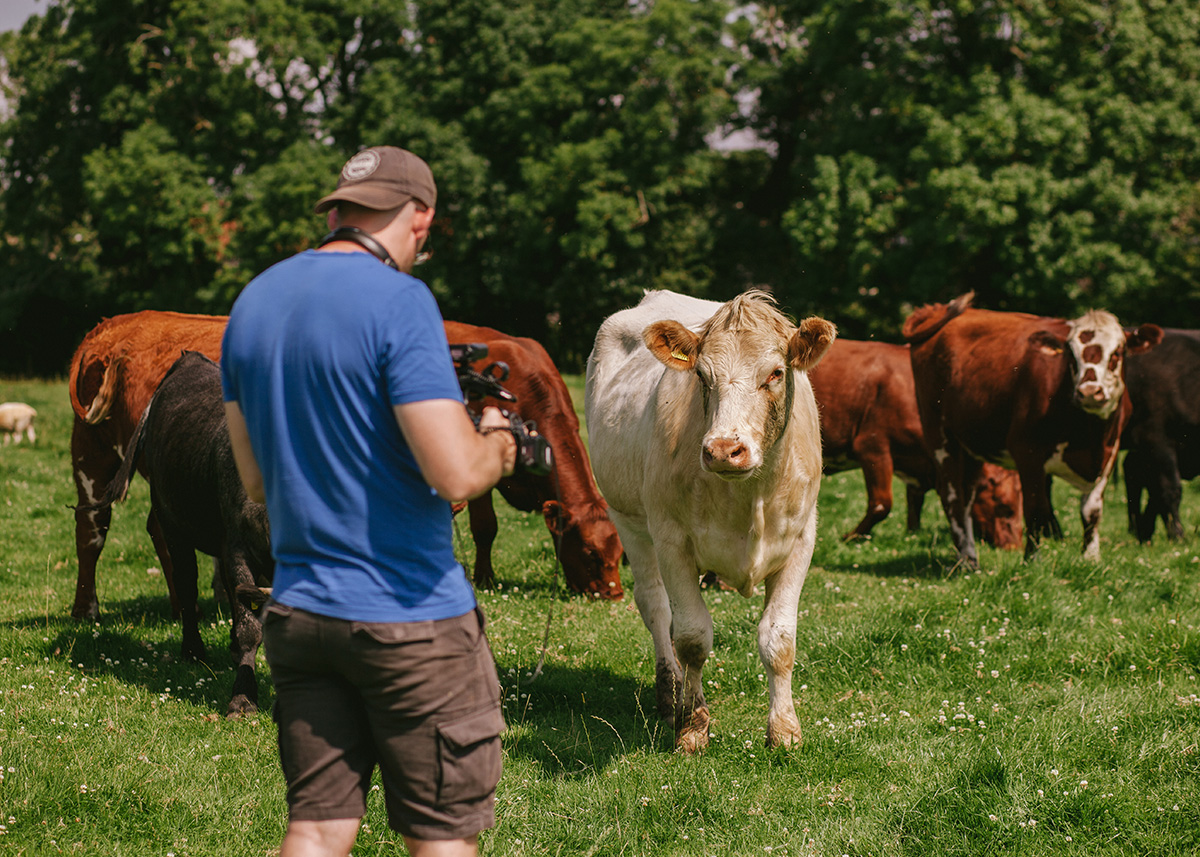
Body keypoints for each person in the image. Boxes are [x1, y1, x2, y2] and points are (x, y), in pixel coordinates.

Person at [220, 145, 517, 857]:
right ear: (420, 218)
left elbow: (254, 482)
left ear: (339, 210)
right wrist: (500, 440)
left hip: (297, 613)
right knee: (441, 835)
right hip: (409, 618)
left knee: (319, 828)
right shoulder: (403, 301)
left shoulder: (253, 301)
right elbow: (454, 475)